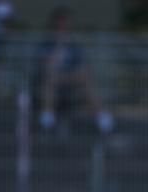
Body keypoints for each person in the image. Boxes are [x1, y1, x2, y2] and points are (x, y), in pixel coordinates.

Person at [35, 6, 114, 134]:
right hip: (53, 81)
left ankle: (102, 117)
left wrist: (75, 75)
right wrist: (59, 46)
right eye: (62, 22)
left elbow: (82, 66)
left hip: (71, 80)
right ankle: (47, 118)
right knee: (50, 78)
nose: (65, 26)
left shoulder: (74, 45)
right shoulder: (47, 43)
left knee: (85, 79)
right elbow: (48, 68)